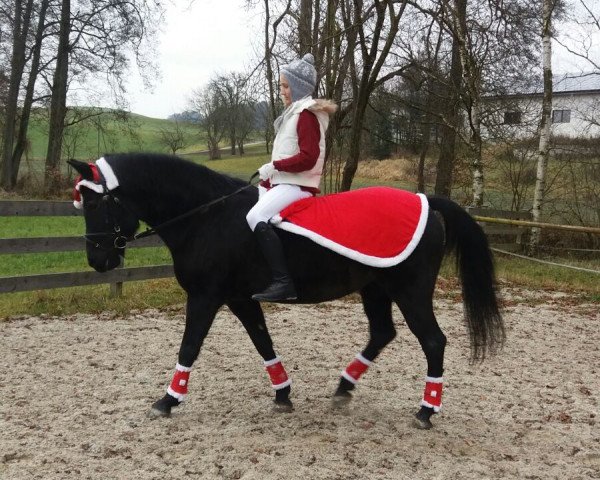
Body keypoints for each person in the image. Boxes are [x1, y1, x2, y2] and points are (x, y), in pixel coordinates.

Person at [246, 53, 337, 302]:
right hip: (285, 182)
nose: (282, 92)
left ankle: (284, 282)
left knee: (255, 216)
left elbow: (308, 158)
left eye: (285, 86)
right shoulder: (294, 113)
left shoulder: (305, 114)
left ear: (297, 87)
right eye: (281, 87)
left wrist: (274, 166)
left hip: (298, 185)